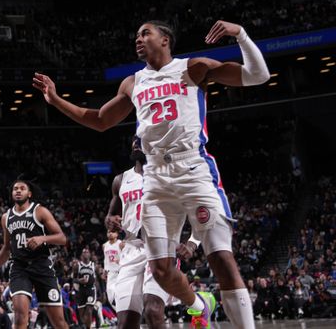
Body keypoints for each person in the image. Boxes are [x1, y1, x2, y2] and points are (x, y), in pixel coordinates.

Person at [33, 19, 269, 328]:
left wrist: (241, 35)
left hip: (192, 168)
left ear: (165, 40)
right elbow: (101, 120)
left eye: (146, 33)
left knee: (221, 258)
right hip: (155, 178)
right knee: (160, 269)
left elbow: (258, 75)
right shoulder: (133, 82)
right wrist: (56, 100)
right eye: (136, 35)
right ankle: (198, 303)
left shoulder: (193, 67)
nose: (139, 39)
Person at [105, 136, 202, 329]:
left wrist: (192, 242)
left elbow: (200, 212)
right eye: (134, 140)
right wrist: (110, 221)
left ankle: (199, 306)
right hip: (131, 251)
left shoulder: (173, 176)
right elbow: (110, 216)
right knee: (125, 324)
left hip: (162, 248)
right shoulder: (121, 180)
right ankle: (199, 305)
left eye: (142, 139)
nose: (136, 143)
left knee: (152, 310)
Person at [0, 179, 69, 329]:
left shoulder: (40, 211)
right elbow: (7, 247)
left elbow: (62, 238)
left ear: (29, 193)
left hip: (41, 266)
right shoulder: (6, 217)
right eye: (15, 189)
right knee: (19, 318)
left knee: (58, 322)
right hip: (20, 268)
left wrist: (42, 238)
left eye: (22, 188)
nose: (18, 191)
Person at [72, 248, 97, 329]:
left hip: (91, 290)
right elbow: (73, 279)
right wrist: (80, 280)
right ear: (82, 255)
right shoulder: (77, 266)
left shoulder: (94, 265)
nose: (86, 253)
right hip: (81, 290)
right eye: (84, 252)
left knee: (89, 311)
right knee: (82, 315)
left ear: (90, 254)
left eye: (87, 252)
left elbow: (98, 278)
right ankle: (86, 325)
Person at [101, 230, 121, 310]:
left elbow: (127, 256)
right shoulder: (104, 245)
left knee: (120, 293)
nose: (110, 233)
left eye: (112, 232)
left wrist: (121, 260)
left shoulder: (121, 244)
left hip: (121, 271)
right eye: (108, 232)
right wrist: (104, 271)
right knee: (110, 294)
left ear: (117, 234)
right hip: (111, 273)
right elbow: (106, 259)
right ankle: (118, 312)